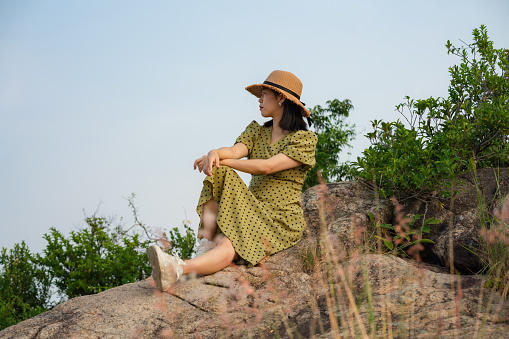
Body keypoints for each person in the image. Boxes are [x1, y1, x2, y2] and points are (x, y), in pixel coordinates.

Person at [148, 70, 317, 292]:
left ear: (281, 98)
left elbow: (267, 167)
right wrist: (213, 153)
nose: (259, 100)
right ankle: (205, 245)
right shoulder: (257, 131)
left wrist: (222, 162)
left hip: (279, 218)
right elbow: (234, 151)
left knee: (231, 242)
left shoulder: (303, 139)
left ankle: (179, 268)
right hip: (252, 209)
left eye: (264, 94)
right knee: (218, 170)